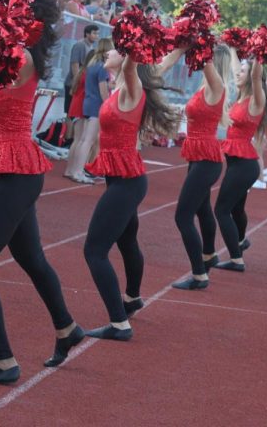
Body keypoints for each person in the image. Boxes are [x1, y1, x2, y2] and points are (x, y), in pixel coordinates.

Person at [0, 0, 84, 385]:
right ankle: (67, 327)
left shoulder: (20, 55)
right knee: (31, 259)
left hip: (17, 173)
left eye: (5, 6)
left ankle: (3, 362)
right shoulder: (6, 56)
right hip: (15, 171)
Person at [83, 51, 180, 340]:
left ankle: (119, 323)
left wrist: (134, 46)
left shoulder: (130, 85)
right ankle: (133, 298)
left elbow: (135, 66)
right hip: (122, 179)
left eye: (114, 49)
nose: (107, 53)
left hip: (127, 182)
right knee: (126, 242)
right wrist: (181, 49)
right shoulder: (122, 87)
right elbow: (160, 66)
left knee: (94, 251)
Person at [157, 44, 233, 289]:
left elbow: (205, 60)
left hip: (206, 159)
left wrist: (197, 39)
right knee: (202, 210)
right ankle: (209, 255)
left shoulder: (216, 86)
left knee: (183, 217)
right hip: (199, 156)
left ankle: (199, 274)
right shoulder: (206, 88)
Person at [210, 47, 267, 270]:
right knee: (235, 209)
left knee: (221, 210)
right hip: (238, 162)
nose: (238, 73)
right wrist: (232, 47)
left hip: (245, 165)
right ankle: (242, 241)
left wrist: (260, 55)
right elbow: (237, 68)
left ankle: (236, 258)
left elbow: (253, 74)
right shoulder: (240, 98)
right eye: (239, 70)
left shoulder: (256, 100)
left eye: (243, 71)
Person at [64, 38, 112, 183]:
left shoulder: (92, 66)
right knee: (88, 141)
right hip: (95, 105)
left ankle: (74, 170)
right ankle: (78, 171)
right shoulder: (102, 67)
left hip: (87, 103)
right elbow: (103, 92)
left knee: (82, 140)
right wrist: (110, 106)